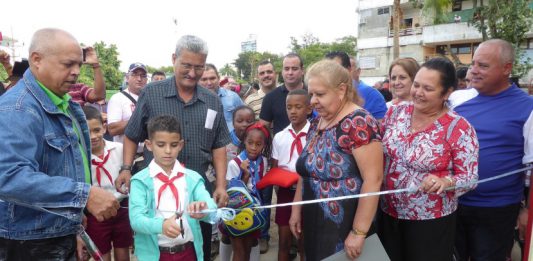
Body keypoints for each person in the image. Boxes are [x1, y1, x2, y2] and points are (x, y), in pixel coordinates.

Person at [0, 28, 118, 260]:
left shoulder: (66, 103)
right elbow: (8, 176)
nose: (75, 72)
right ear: (36, 60)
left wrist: (74, 221)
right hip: (30, 242)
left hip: (56, 232)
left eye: (79, 65)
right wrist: (83, 196)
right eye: (67, 64)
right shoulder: (18, 108)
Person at [118, 35, 230, 261]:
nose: (192, 72)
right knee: (156, 243)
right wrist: (126, 168)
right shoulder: (152, 93)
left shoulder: (212, 101)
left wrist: (220, 185)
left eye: (198, 67)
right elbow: (131, 135)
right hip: (157, 189)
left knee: (199, 247)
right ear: (173, 59)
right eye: (186, 65)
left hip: (197, 188)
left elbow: (219, 147)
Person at [379, 57, 479, 261]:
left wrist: (446, 182)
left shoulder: (459, 128)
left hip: (430, 222)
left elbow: (470, 177)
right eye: (416, 85)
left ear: (447, 92)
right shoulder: (395, 113)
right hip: (388, 213)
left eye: (428, 88)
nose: (418, 92)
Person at [289, 60, 383, 260]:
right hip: (314, 219)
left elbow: (373, 179)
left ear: (341, 90)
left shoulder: (358, 123)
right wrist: (296, 210)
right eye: (311, 94)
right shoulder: (317, 122)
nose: (312, 101)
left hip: (345, 225)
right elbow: (306, 171)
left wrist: (358, 232)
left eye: (320, 94)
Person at [454, 39, 533, 261]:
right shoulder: (457, 101)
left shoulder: (528, 108)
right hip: (453, 204)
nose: (474, 71)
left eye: (483, 66)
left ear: (507, 68)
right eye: (473, 64)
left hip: (496, 210)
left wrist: (527, 210)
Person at [129, 115, 216, 261]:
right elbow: (136, 220)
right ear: (149, 145)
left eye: (174, 145)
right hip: (154, 255)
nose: (168, 151)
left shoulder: (193, 178)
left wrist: (204, 209)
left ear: (181, 145)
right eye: (161, 145)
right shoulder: (140, 181)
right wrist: (161, 226)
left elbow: (212, 208)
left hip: (189, 252)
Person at [258, 53, 305, 253]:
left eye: (294, 68)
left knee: (306, 225)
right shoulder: (271, 98)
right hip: (282, 163)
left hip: (308, 166)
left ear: (302, 70)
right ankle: (282, 240)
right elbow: (263, 129)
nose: (290, 72)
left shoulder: (313, 94)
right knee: (285, 214)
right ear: (282, 71)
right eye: (286, 68)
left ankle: (298, 243)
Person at [83, 106, 132, 261]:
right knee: (101, 253)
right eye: (87, 132)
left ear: (104, 128)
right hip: (96, 214)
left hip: (121, 208)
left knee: (122, 249)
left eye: (96, 130)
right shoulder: (80, 156)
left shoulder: (119, 148)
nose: (93, 136)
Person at [272, 89, 311, 261]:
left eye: (298, 107)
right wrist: (279, 190)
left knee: (305, 243)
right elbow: (275, 168)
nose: (293, 111)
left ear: (309, 109)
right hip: (286, 193)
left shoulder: (315, 134)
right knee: (284, 242)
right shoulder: (279, 137)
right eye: (289, 107)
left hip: (309, 193)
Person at [225, 123, 272, 261]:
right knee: (239, 250)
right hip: (236, 213)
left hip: (253, 211)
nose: (253, 147)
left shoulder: (263, 161)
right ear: (244, 140)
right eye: (250, 143)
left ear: (264, 145)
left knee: (249, 247)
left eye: (258, 144)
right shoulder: (234, 163)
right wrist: (245, 175)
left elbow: (259, 187)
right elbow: (232, 193)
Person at [218, 105, 256, 260]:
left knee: (250, 236)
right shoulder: (224, 143)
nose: (245, 124)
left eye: (249, 120)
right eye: (240, 121)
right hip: (228, 197)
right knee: (228, 234)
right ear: (233, 123)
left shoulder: (257, 142)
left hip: (250, 198)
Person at [107, 62, 148, 143]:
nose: (139, 79)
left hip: (148, 153)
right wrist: (141, 119)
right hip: (124, 153)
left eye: (143, 76)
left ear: (146, 79)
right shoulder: (117, 98)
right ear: (127, 77)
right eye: (134, 75)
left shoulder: (151, 97)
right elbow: (112, 129)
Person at [199, 63, 244, 131]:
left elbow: (245, 117)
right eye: (204, 79)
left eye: (212, 78)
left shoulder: (233, 97)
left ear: (218, 78)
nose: (209, 83)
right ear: (198, 81)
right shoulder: (194, 100)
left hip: (231, 140)